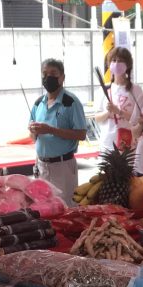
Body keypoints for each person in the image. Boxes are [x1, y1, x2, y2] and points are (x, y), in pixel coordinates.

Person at [29, 59, 88, 205]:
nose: (48, 77)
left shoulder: (71, 102)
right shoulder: (38, 103)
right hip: (41, 165)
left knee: (64, 209)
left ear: (62, 77)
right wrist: (33, 131)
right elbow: (33, 137)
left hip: (63, 167)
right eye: (44, 74)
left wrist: (50, 130)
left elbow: (81, 134)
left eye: (53, 73)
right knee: (42, 208)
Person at [93, 46, 138, 152]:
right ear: (109, 64)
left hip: (128, 144)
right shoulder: (104, 89)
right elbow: (97, 118)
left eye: (121, 61)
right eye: (114, 60)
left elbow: (138, 119)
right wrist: (108, 112)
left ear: (128, 65)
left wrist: (119, 111)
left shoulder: (135, 90)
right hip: (107, 145)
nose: (117, 63)